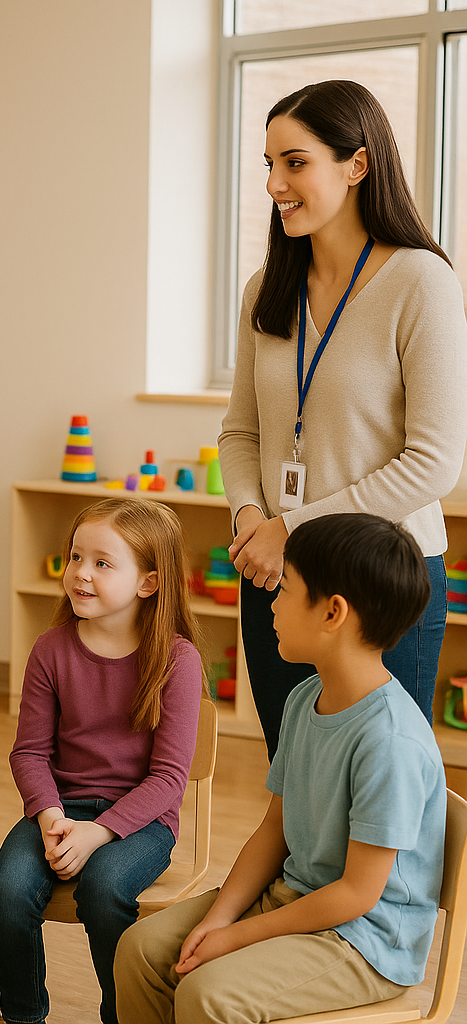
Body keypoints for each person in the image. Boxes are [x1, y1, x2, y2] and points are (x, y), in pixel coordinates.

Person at [114, 513, 446, 1024]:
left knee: (208, 995)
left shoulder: (391, 742)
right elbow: (275, 829)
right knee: (140, 950)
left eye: (285, 588)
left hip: (365, 941)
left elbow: (357, 894)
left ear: (333, 612)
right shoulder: (305, 697)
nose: (271, 603)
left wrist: (236, 937)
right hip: (294, 896)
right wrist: (219, 919)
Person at [218, 80, 467, 758]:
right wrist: (251, 521)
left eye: (295, 162)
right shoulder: (265, 291)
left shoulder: (421, 282)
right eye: (269, 164)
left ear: (357, 164)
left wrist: (289, 528)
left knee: (381, 782)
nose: (274, 183)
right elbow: (241, 432)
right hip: (277, 576)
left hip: (381, 580)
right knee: (293, 773)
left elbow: (433, 462)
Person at [0, 498, 204, 1024]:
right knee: (6, 892)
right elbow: (29, 752)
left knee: (104, 889)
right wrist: (51, 817)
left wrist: (98, 833)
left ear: (148, 582)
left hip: (142, 822)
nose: (81, 572)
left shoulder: (179, 660)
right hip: (60, 809)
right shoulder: (50, 649)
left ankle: (125, 1014)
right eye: (76, 557)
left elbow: (169, 779)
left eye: (103, 563)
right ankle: (22, 1014)